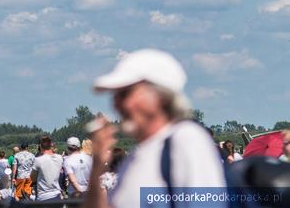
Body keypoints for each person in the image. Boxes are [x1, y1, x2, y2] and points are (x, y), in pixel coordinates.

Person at [85, 48, 227, 208]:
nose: (116, 104)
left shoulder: (186, 139)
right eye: (115, 96)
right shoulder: (138, 156)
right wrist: (97, 166)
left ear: (161, 96)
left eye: (125, 94)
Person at [31, 136, 63, 201]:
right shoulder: (60, 158)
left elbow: (32, 178)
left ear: (40, 146)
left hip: (44, 196)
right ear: (51, 145)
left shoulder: (38, 160)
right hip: (57, 195)